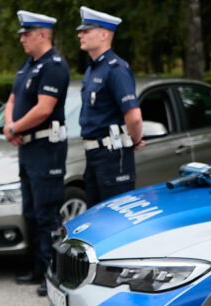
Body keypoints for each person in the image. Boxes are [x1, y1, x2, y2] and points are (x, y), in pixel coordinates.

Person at [3, 10, 70, 296]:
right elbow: (13, 98)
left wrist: (15, 127)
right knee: (30, 212)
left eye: (27, 34)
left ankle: (50, 274)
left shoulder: (53, 66)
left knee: (46, 214)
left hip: (46, 148)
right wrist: (11, 127)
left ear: (43, 34)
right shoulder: (28, 65)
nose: (22, 39)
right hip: (27, 146)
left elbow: (44, 108)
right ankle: (36, 268)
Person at [76, 6, 144, 208]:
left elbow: (134, 117)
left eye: (86, 31)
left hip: (112, 157)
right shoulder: (93, 68)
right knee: (96, 218)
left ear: (104, 34)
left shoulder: (116, 69)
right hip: (94, 155)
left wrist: (136, 140)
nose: (80, 34)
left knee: (115, 220)